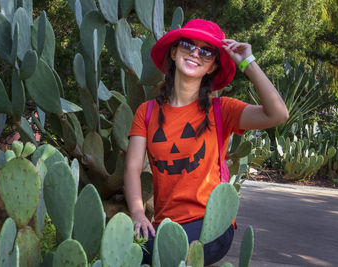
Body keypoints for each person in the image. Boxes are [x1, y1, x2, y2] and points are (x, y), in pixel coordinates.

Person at [124, 19, 289, 265]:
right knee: (127, 252)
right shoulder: (146, 112)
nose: (195, 53)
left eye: (206, 51)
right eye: (187, 45)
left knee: (162, 256)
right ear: (173, 51)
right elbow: (132, 168)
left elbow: (278, 114)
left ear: (212, 66)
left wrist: (247, 62)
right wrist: (138, 213)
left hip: (211, 225)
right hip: (165, 224)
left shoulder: (222, 110)